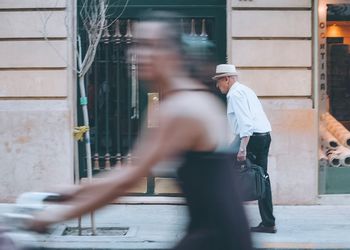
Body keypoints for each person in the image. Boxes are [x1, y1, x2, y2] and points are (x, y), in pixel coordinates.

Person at [28, 13, 253, 250]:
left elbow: (127, 180)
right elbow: (128, 170)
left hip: (219, 237)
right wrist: (74, 191)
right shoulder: (177, 101)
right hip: (211, 232)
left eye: (151, 46)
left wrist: (52, 216)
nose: (139, 55)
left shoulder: (182, 109)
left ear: (173, 54)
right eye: (138, 45)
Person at [213, 64, 276, 234]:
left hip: (250, 138)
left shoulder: (235, 94)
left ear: (227, 79)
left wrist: (242, 148)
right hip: (263, 136)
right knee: (262, 179)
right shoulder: (246, 90)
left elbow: (246, 122)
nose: (217, 86)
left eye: (219, 81)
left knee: (224, 171)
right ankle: (268, 223)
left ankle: (227, 220)